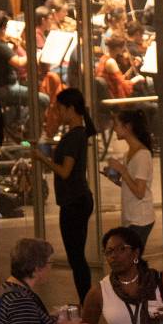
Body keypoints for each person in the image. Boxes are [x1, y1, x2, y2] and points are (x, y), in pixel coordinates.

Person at [29, 88, 98, 306]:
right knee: (77, 256)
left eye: (60, 109)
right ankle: (86, 300)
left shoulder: (73, 136)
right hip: (79, 199)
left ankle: (87, 302)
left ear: (70, 109)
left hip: (74, 201)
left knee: (76, 257)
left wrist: (41, 158)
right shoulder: (79, 133)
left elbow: (65, 171)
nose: (58, 114)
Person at [103, 110, 156, 247]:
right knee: (132, 260)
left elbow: (140, 192)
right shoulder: (129, 153)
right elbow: (132, 185)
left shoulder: (142, 155)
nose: (114, 129)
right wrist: (116, 179)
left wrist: (122, 170)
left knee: (131, 260)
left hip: (140, 218)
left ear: (128, 127)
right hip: (132, 216)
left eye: (117, 125)